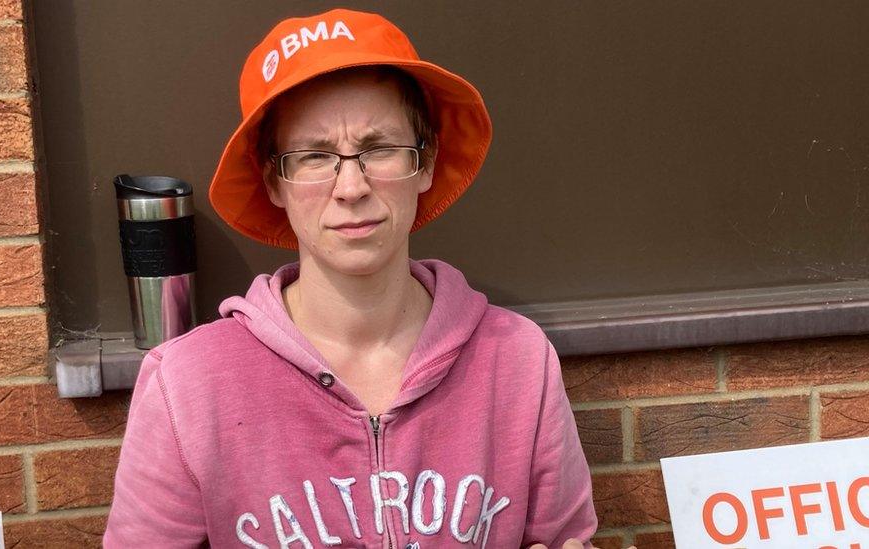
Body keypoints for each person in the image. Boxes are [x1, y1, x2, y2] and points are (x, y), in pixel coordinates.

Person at [105, 8, 619, 548]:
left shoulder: (518, 360)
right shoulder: (186, 385)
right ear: (273, 183)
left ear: (425, 163)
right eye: (314, 156)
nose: (351, 186)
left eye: (379, 150)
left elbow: (566, 540)